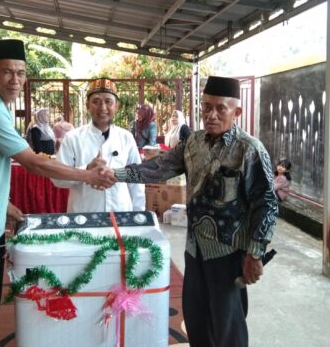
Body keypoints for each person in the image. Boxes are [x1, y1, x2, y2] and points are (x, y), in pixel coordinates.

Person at [0, 39, 115, 347]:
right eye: (7, 71)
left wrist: (3, 204)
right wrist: (87, 176)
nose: (15, 80)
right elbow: (34, 163)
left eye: (20, 72)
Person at [106, 76, 278, 347]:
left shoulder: (249, 150)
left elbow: (266, 202)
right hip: (194, 249)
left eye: (220, 108)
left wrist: (255, 253)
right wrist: (113, 174)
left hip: (229, 252)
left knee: (227, 328)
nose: (211, 115)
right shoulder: (193, 142)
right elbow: (158, 168)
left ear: (237, 112)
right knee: (197, 320)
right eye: (206, 107)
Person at [53, 78, 145, 212]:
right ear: (88, 106)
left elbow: (136, 179)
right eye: (96, 101)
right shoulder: (73, 138)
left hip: (121, 213)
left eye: (108, 102)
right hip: (83, 216)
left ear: (116, 106)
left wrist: (139, 215)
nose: (102, 107)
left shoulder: (126, 138)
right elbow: (58, 179)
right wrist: (86, 170)